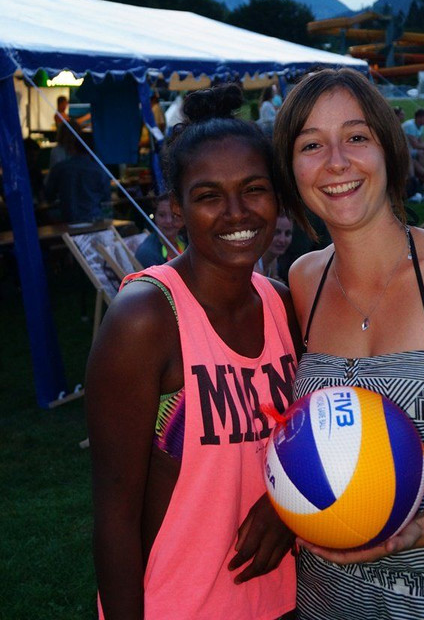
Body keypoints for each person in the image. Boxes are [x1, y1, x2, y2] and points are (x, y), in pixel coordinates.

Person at [273, 67, 424, 619]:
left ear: (389, 149)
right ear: (291, 168)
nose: (337, 162)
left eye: (356, 137)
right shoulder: (303, 281)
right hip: (330, 597)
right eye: (312, 145)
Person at [86, 83, 300, 620]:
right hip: (180, 605)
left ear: (277, 198)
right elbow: (114, 514)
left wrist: (287, 506)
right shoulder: (145, 319)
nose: (236, 213)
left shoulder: (282, 305)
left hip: (284, 598)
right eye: (208, 196)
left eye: (254, 189)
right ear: (176, 212)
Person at [45, 126, 111, 223]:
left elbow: (49, 195)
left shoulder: (59, 168)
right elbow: (106, 198)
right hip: (93, 219)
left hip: (66, 220)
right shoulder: (100, 171)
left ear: (74, 146)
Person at [134, 193, 186, 268]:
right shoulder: (147, 254)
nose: (168, 221)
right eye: (162, 215)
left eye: (174, 215)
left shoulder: (186, 241)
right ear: (155, 217)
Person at [255, 212, 293, 281]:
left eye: (287, 233)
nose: (282, 240)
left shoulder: (273, 261)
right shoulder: (252, 266)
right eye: (276, 232)